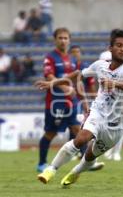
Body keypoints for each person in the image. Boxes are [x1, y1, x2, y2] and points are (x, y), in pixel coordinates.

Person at [36, 29, 123, 187]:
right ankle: (51, 169)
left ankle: (77, 171)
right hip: (98, 113)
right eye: (119, 45)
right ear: (110, 48)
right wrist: (53, 82)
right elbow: (78, 74)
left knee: (90, 156)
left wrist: (114, 83)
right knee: (81, 138)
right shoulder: (99, 66)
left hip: (117, 124)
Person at [36, 27, 103, 173]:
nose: (63, 40)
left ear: (69, 40)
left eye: (65, 38)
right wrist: (65, 88)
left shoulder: (73, 60)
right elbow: (49, 76)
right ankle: (41, 163)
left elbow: (78, 81)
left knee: (78, 130)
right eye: (60, 38)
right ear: (55, 40)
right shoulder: (50, 57)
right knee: (50, 133)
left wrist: (84, 102)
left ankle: (87, 161)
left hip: (71, 103)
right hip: (55, 102)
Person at [99, 29, 123, 161]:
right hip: (108, 94)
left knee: (122, 124)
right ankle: (106, 149)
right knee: (103, 124)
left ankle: (117, 152)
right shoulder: (104, 56)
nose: (122, 49)